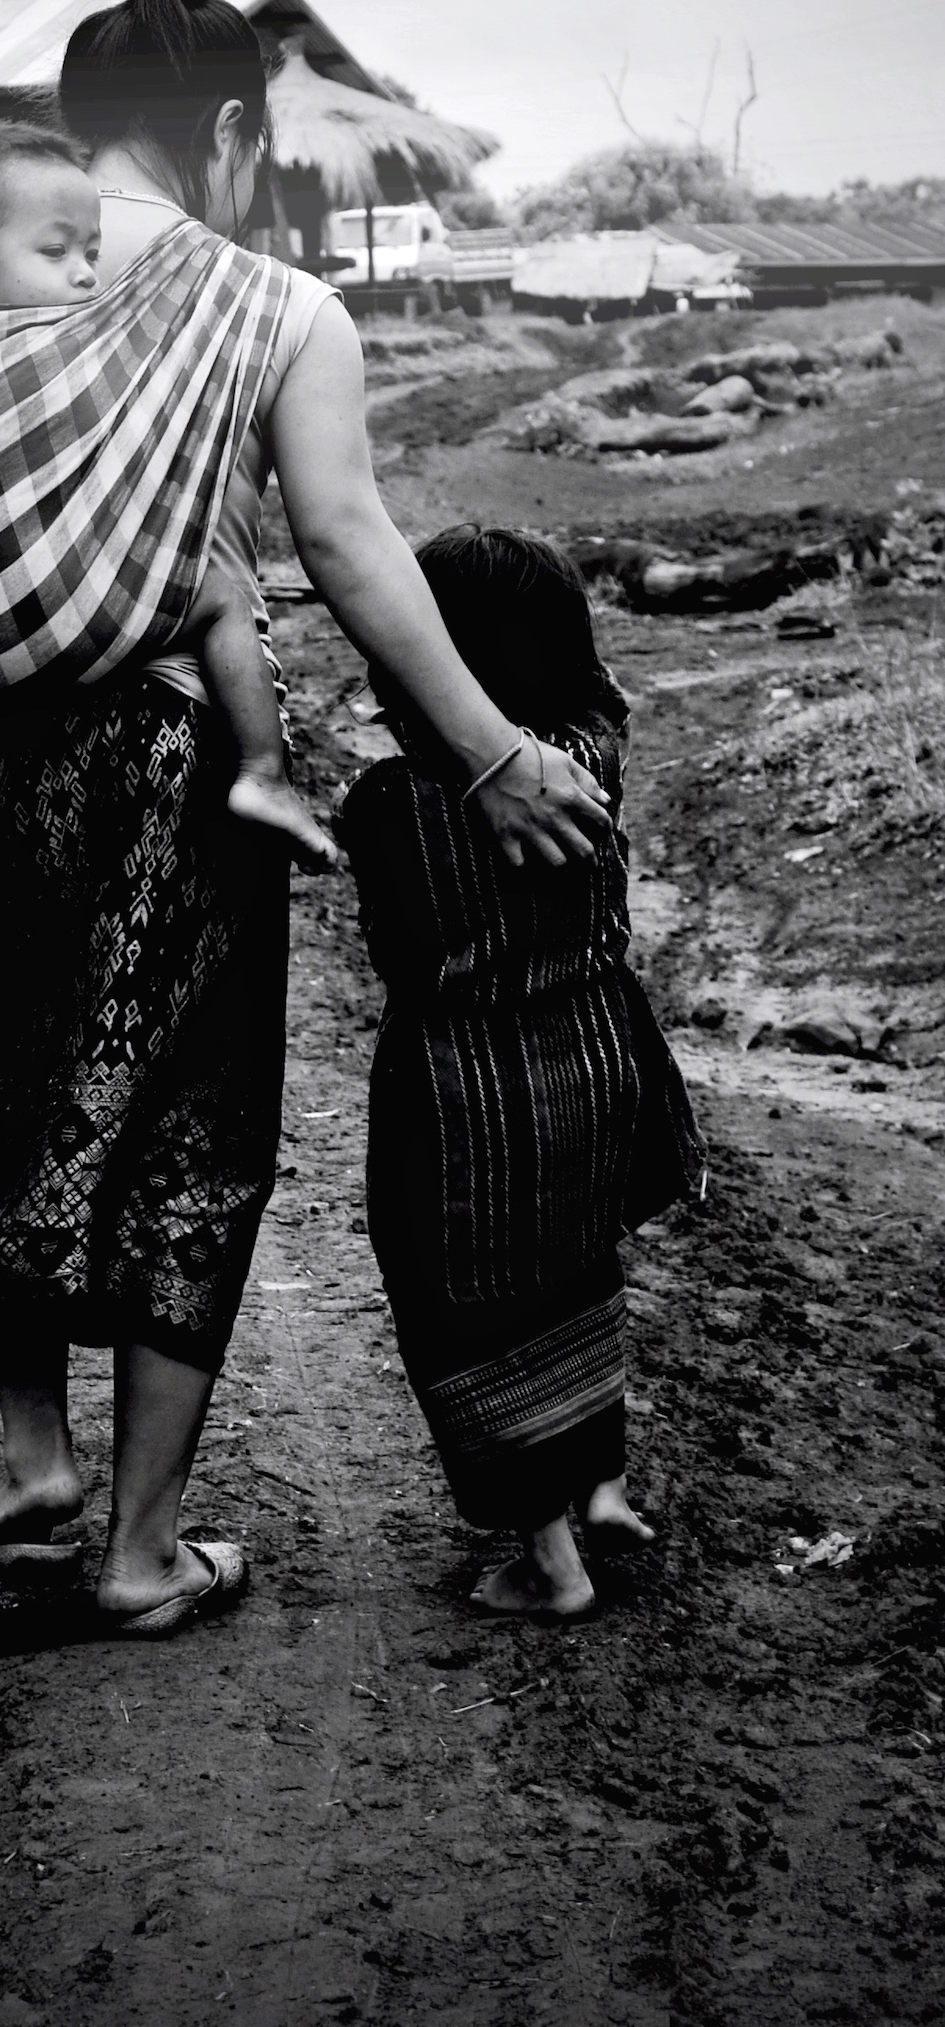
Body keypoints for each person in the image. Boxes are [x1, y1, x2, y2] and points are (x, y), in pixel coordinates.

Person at [0, 0, 611, 1640]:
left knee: (10, 1101)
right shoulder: (274, 306)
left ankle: (33, 1468)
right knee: (194, 1135)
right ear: (235, 133)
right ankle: (141, 1549)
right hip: (162, 772)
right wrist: (489, 749)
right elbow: (344, 543)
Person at [338, 525, 705, 1621]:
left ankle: (548, 1559)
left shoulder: (390, 803)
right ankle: (602, 1490)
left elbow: (395, 948)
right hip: (598, 1060)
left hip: (465, 1090)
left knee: (469, 1304)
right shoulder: (596, 754)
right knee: (578, 1270)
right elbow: (604, 693)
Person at [0, 118, 335, 867]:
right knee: (219, 593)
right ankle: (263, 773)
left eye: (90, 252)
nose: (89, 275)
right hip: (60, 627)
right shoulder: (73, 352)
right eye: (57, 253)